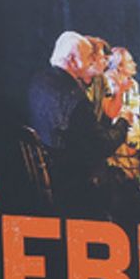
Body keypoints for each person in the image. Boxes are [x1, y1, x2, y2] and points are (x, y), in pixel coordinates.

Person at [27, 31, 132, 213]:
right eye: (88, 57)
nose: (92, 62)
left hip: (46, 175)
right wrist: (123, 123)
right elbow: (102, 146)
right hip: (73, 186)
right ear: (72, 60)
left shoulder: (38, 81)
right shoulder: (76, 100)